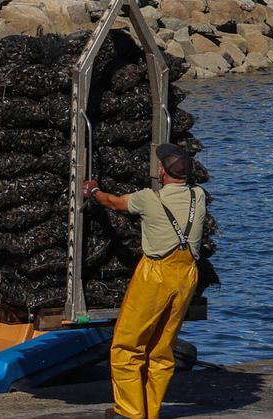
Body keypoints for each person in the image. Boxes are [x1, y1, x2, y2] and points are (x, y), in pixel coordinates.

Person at [84, 143, 207, 419]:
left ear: (162, 173)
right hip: (187, 276)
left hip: (156, 274)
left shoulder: (148, 199)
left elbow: (114, 203)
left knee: (127, 344)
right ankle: (150, 411)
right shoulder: (198, 196)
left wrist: (93, 191)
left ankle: (129, 412)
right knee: (162, 348)